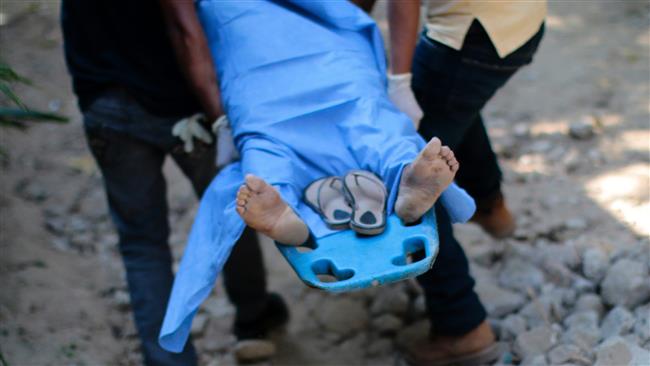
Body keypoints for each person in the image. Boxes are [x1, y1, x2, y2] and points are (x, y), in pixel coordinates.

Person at [60, 1, 288, 364]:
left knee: (141, 244)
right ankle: (253, 318)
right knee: (232, 213)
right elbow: (187, 29)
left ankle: (168, 360)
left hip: (105, 104)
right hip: (187, 105)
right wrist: (222, 118)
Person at [360, 1, 546, 364]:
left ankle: (462, 327)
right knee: (447, 109)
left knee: (415, 170)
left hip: (471, 35)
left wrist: (399, 80)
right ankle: (490, 206)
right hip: (520, 20)